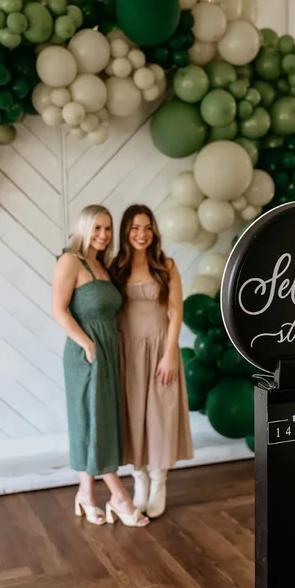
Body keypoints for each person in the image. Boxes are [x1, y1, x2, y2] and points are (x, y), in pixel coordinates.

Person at [51, 205, 149, 527]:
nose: (104, 235)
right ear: (83, 229)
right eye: (97, 229)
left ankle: (85, 494)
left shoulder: (102, 266)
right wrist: (87, 343)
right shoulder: (71, 262)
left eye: (107, 229)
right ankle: (119, 498)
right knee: (94, 421)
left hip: (108, 350)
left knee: (97, 420)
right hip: (86, 352)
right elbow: (58, 310)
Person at [111, 204, 193, 518]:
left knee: (160, 416)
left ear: (154, 231)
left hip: (160, 348)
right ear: (125, 231)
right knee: (133, 416)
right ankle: (140, 478)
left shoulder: (165, 265)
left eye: (147, 227)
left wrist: (170, 353)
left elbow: (176, 313)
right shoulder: (115, 267)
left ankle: (160, 480)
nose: (141, 234)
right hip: (127, 351)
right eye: (134, 228)